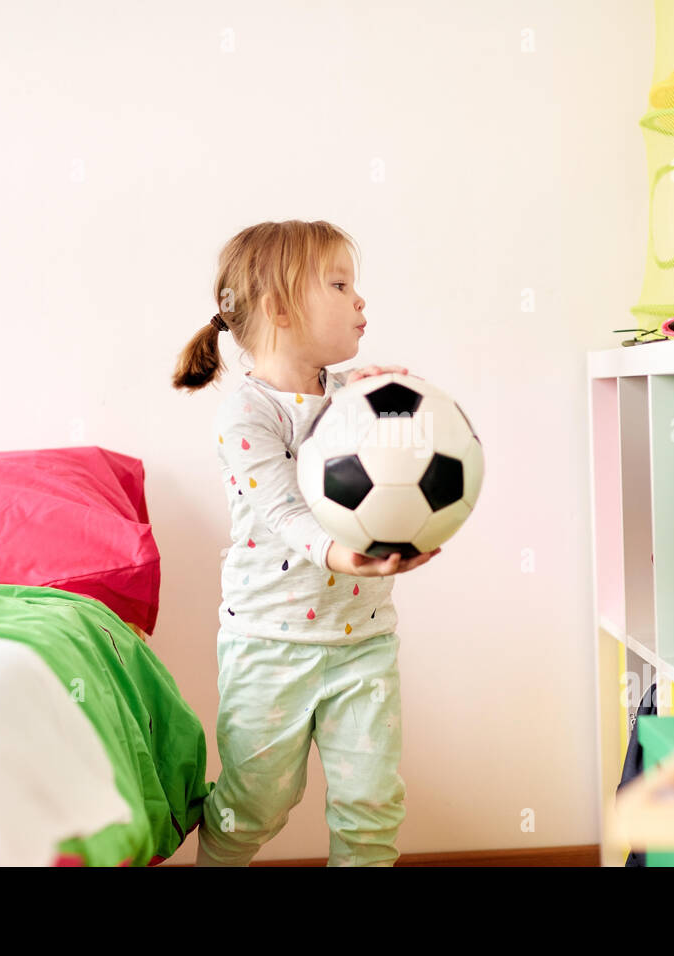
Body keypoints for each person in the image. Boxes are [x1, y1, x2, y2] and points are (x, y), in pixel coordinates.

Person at [172, 219, 440, 866]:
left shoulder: (357, 398)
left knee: (371, 804)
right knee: (257, 804)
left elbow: (394, 477)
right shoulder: (247, 412)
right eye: (341, 284)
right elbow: (282, 508)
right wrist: (341, 555)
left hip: (362, 644)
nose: (361, 301)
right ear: (281, 309)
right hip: (270, 642)